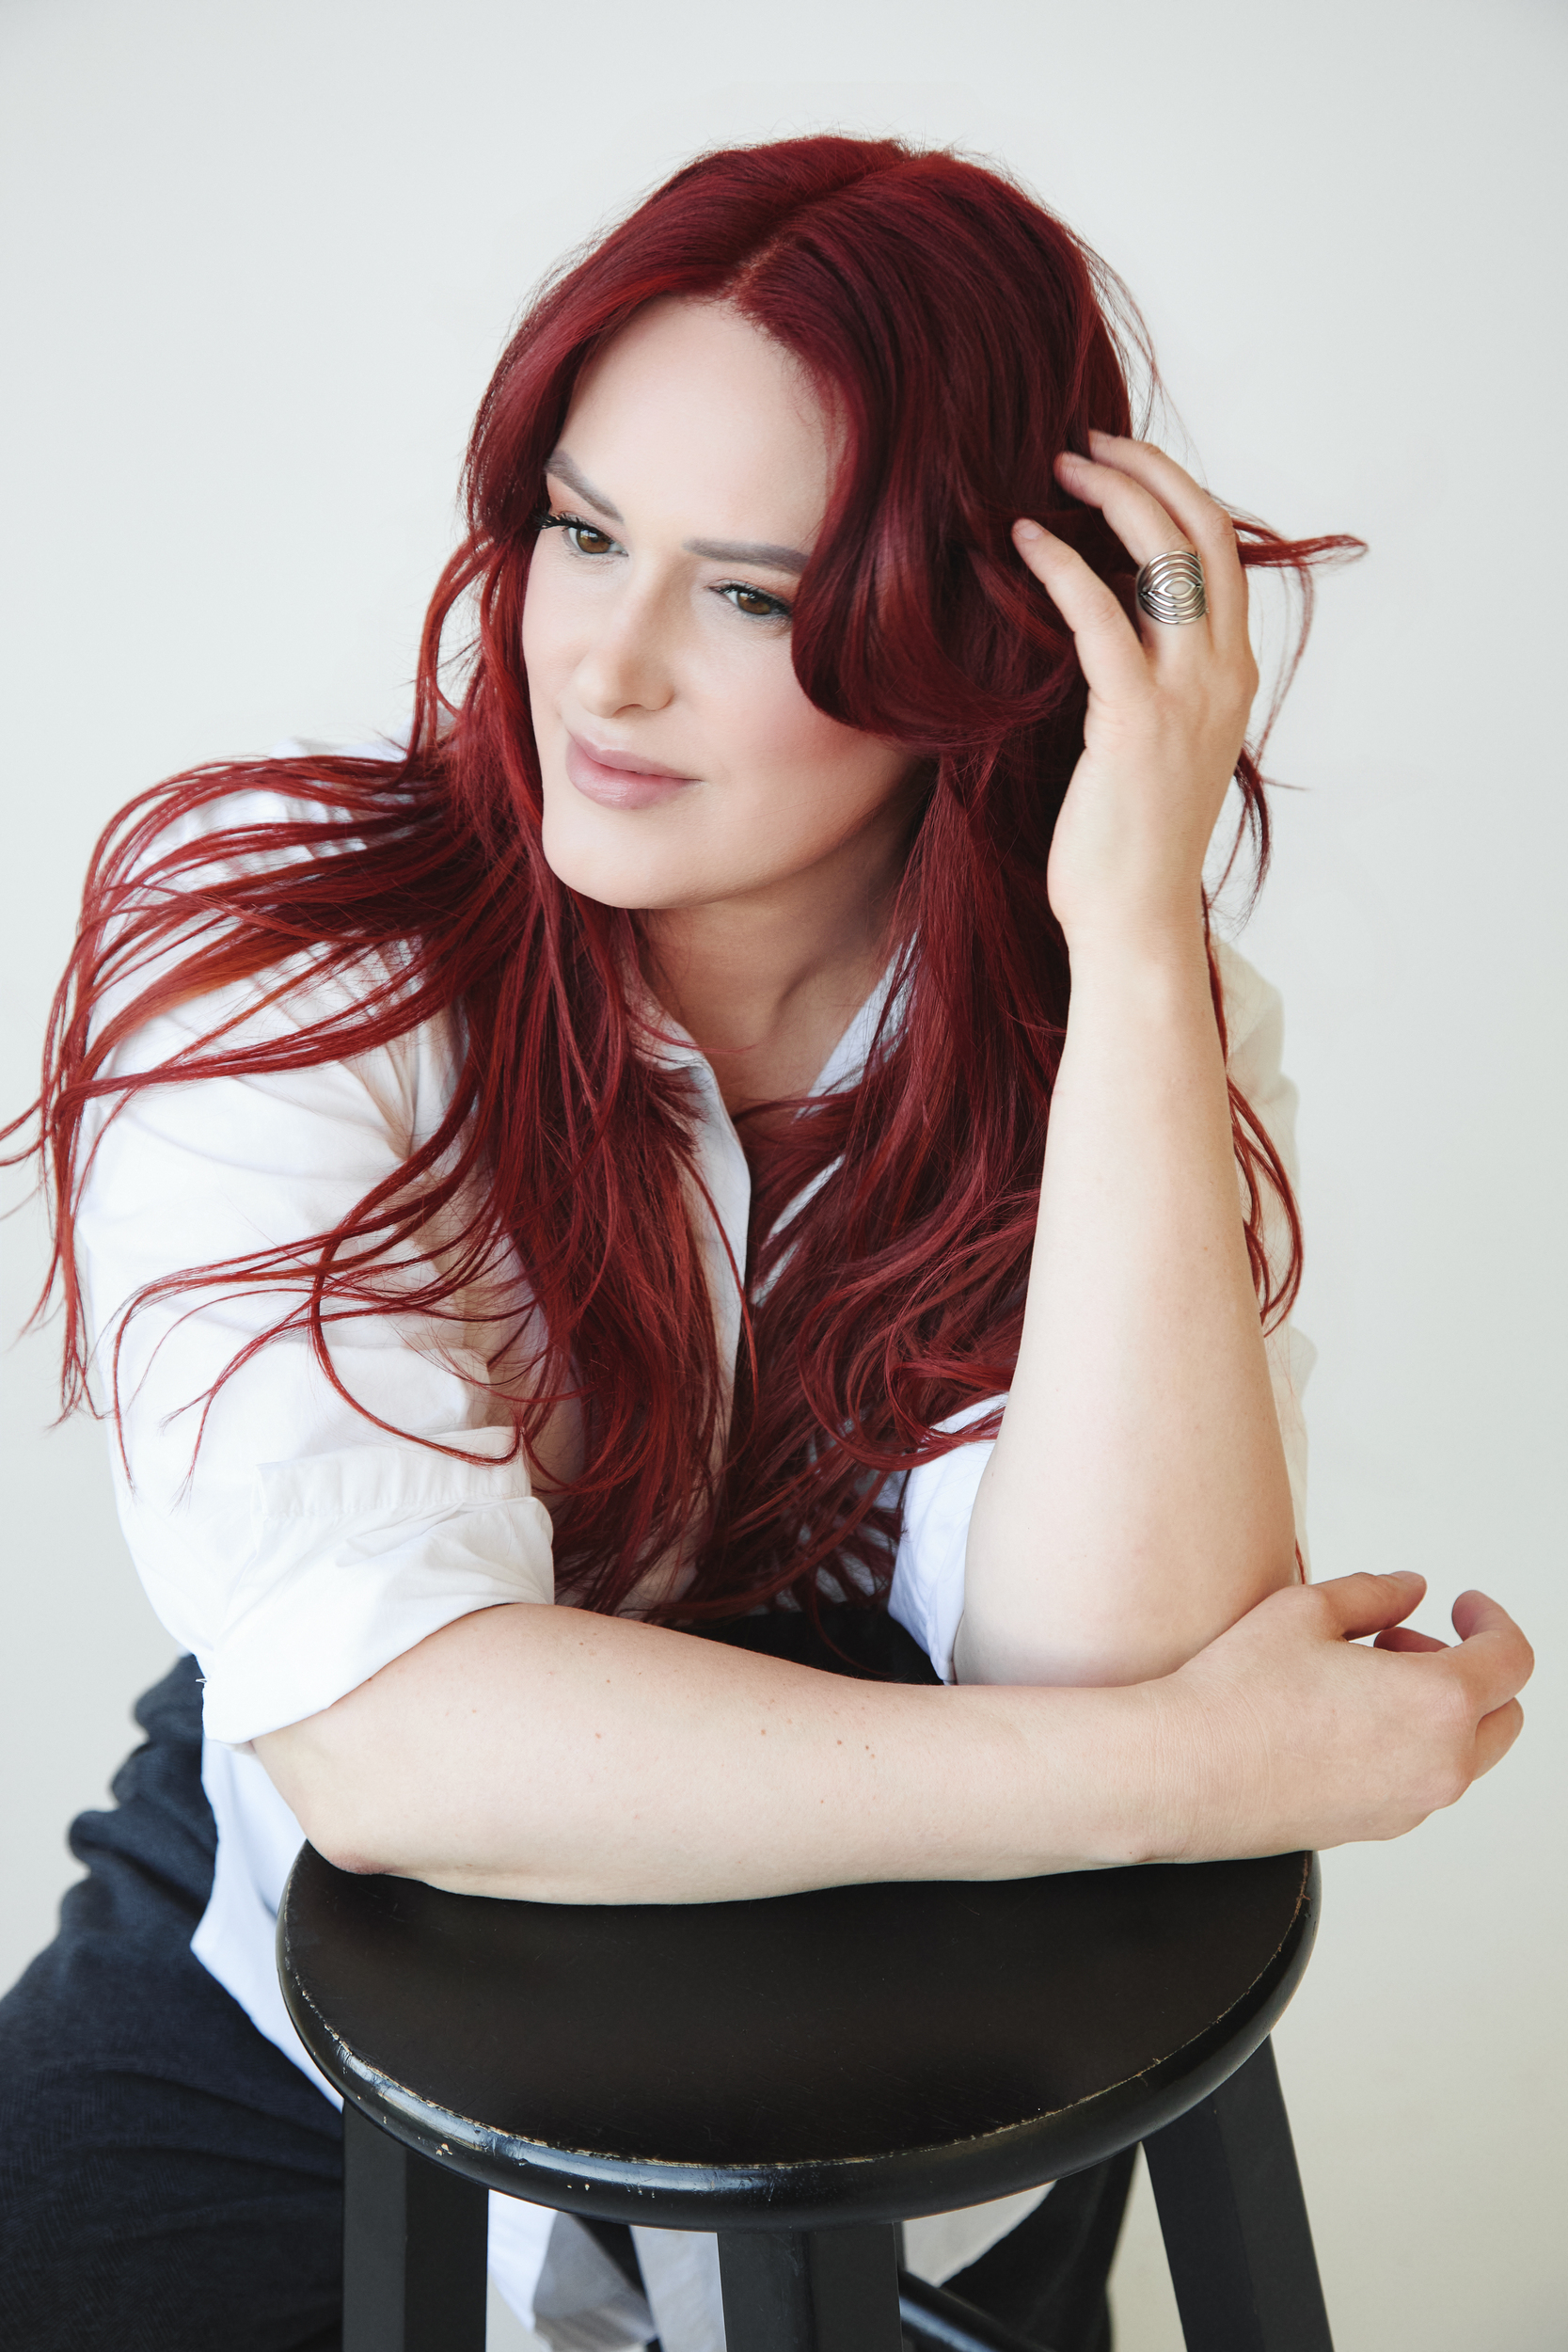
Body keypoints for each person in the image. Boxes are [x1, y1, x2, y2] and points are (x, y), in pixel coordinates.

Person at [0, 135, 1531, 2352]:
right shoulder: (287, 963)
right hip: (288, 2022)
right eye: (584, 533)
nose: (603, 668)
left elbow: (1114, 1650)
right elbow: (398, 1742)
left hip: (903, 2059)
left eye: (748, 595)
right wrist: (1208, 1771)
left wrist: (1130, 939)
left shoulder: (1106, 1009)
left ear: (985, 637)